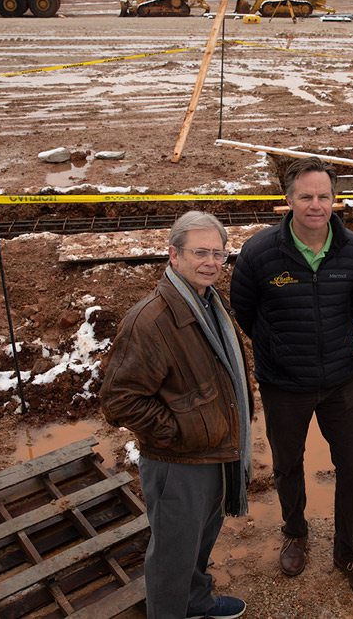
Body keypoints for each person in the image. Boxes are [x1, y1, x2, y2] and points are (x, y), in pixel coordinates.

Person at [230, 157, 353, 598]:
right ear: (288, 199)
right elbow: (245, 309)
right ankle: (295, 532)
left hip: (340, 380)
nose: (316, 205)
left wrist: (329, 341)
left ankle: (349, 551)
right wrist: (279, 344)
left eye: (324, 197)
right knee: (287, 464)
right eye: (306, 196)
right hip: (284, 383)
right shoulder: (260, 253)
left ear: (334, 199)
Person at [100, 211, 252, 619]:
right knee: (172, 555)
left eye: (218, 254)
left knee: (199, 541)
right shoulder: (151, 320)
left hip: (214, 452)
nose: (211, 262)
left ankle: (196, 600)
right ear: (173, 255)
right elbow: (118, 399)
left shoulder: (209, 303)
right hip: (177, 461)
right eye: (199, 252)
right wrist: (180, 430)